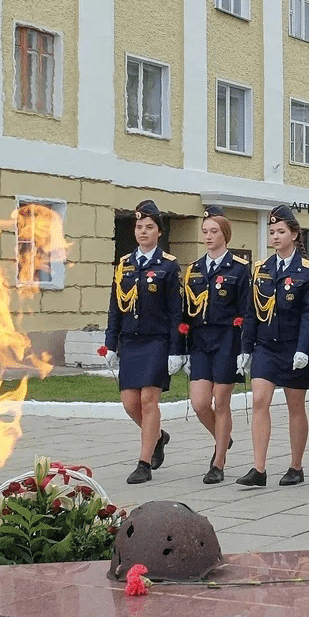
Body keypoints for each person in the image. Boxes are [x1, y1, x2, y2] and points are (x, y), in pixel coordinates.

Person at [236, 205, 309, 487]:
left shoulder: (307, 271)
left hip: (293, 347)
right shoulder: (262, 269)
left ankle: (296, 466)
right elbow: (251, 310)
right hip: (265, 346)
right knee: (260, 401)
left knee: (295, 405)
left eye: (281, 231)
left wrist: (304, 348)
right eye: (272, 232)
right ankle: (258, 468)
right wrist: (246, 348)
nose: (275, 236)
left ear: (294, 234)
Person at [104, 200, 185, 484]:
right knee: (129, 403)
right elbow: (115, 306)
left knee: (149, 401)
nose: (143, 232)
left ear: (159, 232)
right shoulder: (124, 265)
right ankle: (158, 437)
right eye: (139, 227)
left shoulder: (169, 266)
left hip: (156, 341)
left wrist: (177, 350)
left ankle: (143, 463)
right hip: (130, 341)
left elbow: (177, 311)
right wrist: (110, 342)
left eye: (149, 227)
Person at [180, 205, 251, 484]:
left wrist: (245, 349)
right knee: (199, 403)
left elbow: (247, 311)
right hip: (200, 341)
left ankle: (218, 461)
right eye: (205, 232)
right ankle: (223, 438)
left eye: (214, 231)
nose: (208, 236)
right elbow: (186, 310)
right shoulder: (194, 269)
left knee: (221, 402)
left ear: (226, 234)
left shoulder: (240, 268)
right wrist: (182, 349)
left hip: (227, 341)